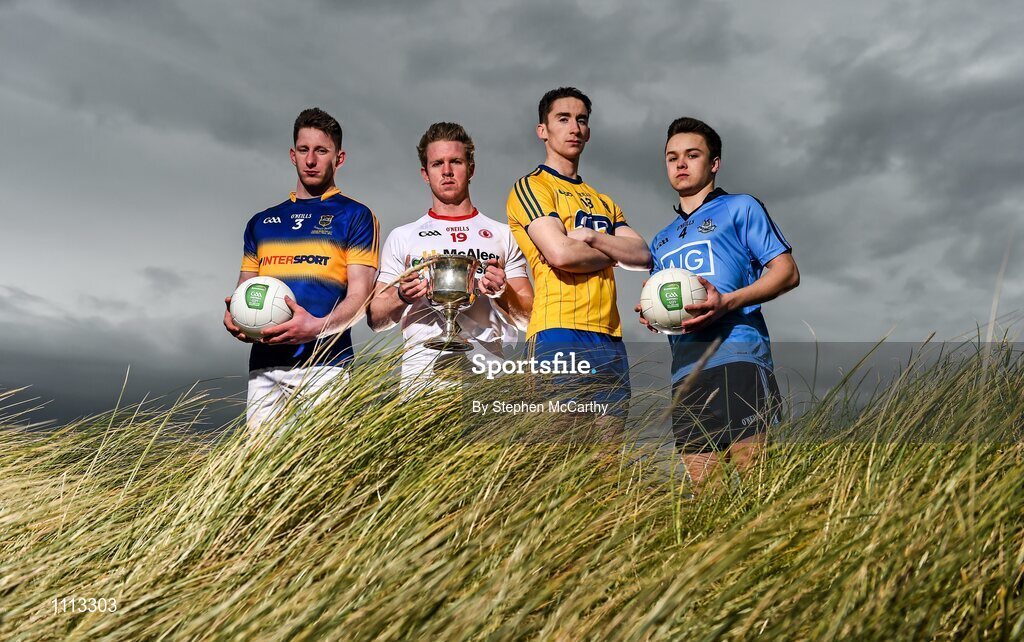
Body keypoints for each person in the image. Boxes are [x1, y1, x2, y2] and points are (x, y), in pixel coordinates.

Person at [641, 117, 800, 485]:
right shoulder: (661, 240)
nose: (680, 164)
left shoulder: (740, 207)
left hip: (738, 358)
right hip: (686, 373)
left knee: (756, 480)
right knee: (706, 496)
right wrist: (652, 312)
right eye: (672, 157)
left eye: (692, 155)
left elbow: (786, 272)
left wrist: (726, 302)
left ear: (714, 163)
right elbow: (667, 298)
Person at [223, 107, 379, 429]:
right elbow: (245, 290)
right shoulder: (261, 222)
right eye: (304, 150)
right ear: (292, 155)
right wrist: (236, 317)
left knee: (324, 469)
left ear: (340, 158)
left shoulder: (356, 216)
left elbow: (361, 298)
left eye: (321, 151)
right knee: (260, 468)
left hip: (325, 366)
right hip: (264, 367)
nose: (311, 160)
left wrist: (317, 327)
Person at [505, 87, 651, 430]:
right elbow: (560, 254)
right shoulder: (532, 187)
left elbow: (643, 254)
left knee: (606, 464)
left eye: (581, 120)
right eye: (563, 118)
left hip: (610, 338)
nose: (574, 127)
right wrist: (614, 251)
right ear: (543, 130)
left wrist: (591, 236)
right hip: (558, 332)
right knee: (556, 458)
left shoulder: (603, 201)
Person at [368, 122, 533, 390]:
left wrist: (502, 292)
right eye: (437, 164)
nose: (446, 171)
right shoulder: (403, 236)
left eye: (455, 161)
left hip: (485, 379)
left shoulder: (504, 234)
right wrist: (401, 296)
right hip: (421, 382)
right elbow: (376, 318)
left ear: (471, 169)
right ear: (425, 173)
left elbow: (529, 318)